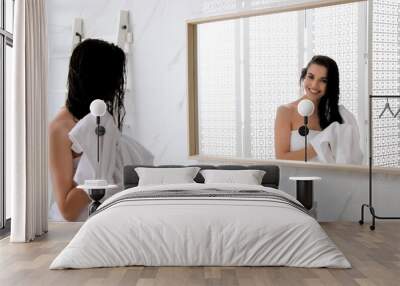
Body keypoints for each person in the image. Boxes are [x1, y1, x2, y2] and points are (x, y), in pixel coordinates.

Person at [49, 39, 126, 221]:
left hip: (104, 220)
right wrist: (99, 172)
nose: (117, 85)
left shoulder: (102, 119)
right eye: (114, 76)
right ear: (98, 77)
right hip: (74, 230)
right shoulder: (60, 129)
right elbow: (67, 210)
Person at [274, 55, 361, 162]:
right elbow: (282, 158)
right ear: (304, 76)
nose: (315, 85)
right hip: (297, 177)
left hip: (332, 178)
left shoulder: (339, 116)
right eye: (311, 77)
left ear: (331, 85)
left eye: (323, 80)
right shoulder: (286, 111)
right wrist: (320, 146)